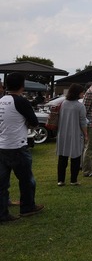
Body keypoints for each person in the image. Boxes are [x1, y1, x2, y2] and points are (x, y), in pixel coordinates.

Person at [0, 72, 45, 222]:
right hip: (17, 146)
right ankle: (27, 207)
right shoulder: (21, 101)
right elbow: (34, 122)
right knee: (26, 180)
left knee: (2, 183)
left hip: (1, 146)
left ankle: (2, 214)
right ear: (22, 85)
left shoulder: (1, 100)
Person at [56, 83, 88, 186]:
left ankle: (60, 180)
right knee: (75, 157)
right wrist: (86, 134)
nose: (83, 94)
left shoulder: (63, 103)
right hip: (75, 133)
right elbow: (83, 122)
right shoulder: (80, 106)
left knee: (62, 158)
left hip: (63, 133)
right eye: (82, 92)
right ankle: (73, 180)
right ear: (78, 93)